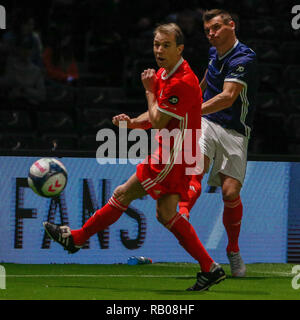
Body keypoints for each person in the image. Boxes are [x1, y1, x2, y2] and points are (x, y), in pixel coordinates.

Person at [43, 22, 226, 292]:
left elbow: (159, 118)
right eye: (156, 44)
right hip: (173, 152)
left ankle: (78, 239)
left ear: (180, 49)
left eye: (166, 45)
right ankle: (210, 268)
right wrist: (133, 123)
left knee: (123, 194)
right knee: (165, 214)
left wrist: (149, 89)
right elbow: (153, 118)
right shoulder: (165, 73)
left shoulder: (182, 82)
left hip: (173, 156)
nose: (159, 50)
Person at [178, 9, 258, 277]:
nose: (210, 34)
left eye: (215, 28)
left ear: (231, 26)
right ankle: (182, 214)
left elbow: (227, 97)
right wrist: (191, 100)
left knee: (230, 193)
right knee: (196, 166)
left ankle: (233, 250)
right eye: (207, 31)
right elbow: (206, 83)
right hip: (207, 123)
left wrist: (192, 110)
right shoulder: (214, 54)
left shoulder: (244, 57)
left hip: (235, 131)